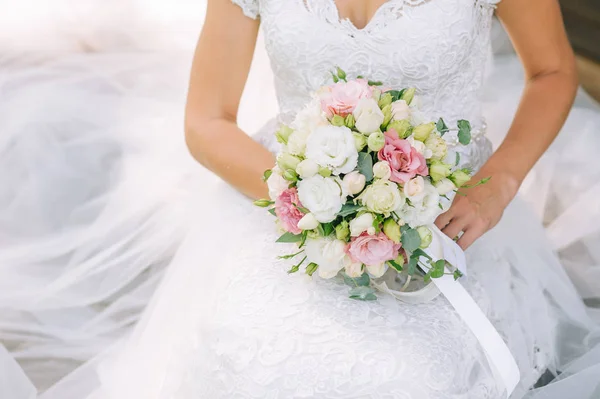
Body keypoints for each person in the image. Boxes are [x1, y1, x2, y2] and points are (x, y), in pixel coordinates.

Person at [2, 0, 600, 398]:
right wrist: (317, 203)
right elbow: (207, 120)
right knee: (261, 360)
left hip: (448, 213)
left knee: (411, 377)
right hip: (289, 201)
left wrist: (496, 186)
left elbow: (551, 71)